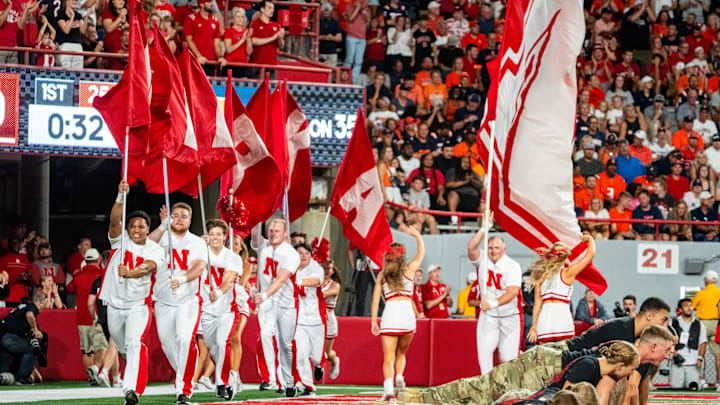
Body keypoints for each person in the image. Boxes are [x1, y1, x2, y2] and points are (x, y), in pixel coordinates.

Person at [98, 180, 164, 405]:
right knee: (124, 346)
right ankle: (135, 370)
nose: (136, 229)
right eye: (133, 225)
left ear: (148, 228)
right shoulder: (119, 242)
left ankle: (132, 390)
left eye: (141, 226)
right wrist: (119, 197)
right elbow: (114, 219)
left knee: (135, 343)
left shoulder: (155, 249)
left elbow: (149, 267)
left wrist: (131, 273)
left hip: (139, 305)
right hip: (115, 305)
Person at [148, 203, 207, 404]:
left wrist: (182, 280)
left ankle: (184, 388)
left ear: (190, 221)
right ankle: (185, 374)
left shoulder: (197, 242)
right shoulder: (162, 237)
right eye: (175, 215)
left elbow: (199, 267)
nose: (179, 219)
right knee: (167, 343)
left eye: (184, 216)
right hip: (163, 300)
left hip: (187, 300)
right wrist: (163, 225)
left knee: (185, 338)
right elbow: (145, 245)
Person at [371, 225, 424, 401]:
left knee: (388, 358)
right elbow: (421, 254)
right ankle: (400, 376)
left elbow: (375, 300)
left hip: (391, 314)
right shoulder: (409, 270)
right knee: (401, 353)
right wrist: (417, 236)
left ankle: (388, 387)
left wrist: (373, 321)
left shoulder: (382, 275)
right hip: (407, 314)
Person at [467, 213, 523, 374]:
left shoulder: (512, 266)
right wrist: (485, 228)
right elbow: (471, 248)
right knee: (484, 357)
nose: (492, 251)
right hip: (489, 316)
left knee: (508, 358)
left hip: (509, 315)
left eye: (496, 248)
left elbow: (512, 292)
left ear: (504, 250)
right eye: (490, 247)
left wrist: (492, 303)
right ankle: (487, 392)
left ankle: (514, 386)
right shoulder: (483, 259)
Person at [251, 218, 300, 397]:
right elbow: (255, 237)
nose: (272, 233)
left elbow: (280, 279)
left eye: (276, 231)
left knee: (285, 345)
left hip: (285, 303)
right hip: (267, 303)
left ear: (285, 233)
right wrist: (258, 215)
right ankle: (271, 377)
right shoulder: (264, 248)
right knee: (265, 335)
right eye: (270, 230)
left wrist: (264, 295)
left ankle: (288, 381)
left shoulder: (290, 254)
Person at [199, 219, 243, 401]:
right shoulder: (201, 252)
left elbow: (228, 280)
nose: (215, 237)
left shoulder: (233, 257)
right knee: (213, 347)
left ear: (225, 237)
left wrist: (218, 291)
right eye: (212, 234)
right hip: (206, 309)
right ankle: (232, 376)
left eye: (218, 234)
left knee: (222, 342)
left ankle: (221, 383)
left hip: (226, 309)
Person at [526, 235, 596, 344]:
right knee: (564, 357)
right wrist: (590, 240)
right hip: (562, 318)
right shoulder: (568, 272)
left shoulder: (541, 275)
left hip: (545, 319)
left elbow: (537, 304)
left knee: (545, 358)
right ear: (565, 257)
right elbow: (590, 254)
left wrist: (534, 326)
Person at [70, 248, 107, 386]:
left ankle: (92, 376)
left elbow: (69, 288)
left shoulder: (78, 277)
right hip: (97, 317)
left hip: (81, 317)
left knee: (86, 350)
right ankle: (96, 369)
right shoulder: (102, 276)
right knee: (102, 347)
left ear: (85, 261)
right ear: (99, 260)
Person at [293, 243, 325, 396]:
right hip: (298, 319)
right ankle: (308, 385)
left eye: (306, 253)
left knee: (316, 357)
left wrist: (298, 282)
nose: (303, 255)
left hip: (316, 319)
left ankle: (319, 365)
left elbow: (316, 281)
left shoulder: (316, 268)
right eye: (300, 253)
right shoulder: (290, 269)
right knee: (301, 353)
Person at [0, 291, 48, 384]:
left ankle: (4, 376)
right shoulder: (31, 306)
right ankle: (22, 378)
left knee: (9, 353)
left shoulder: (21, 308)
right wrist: (34, 329)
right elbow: (29, 314)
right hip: (10, 337)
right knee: (31, 348)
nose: (45, 307)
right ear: (39, 302)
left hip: (4, 337)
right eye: (44, 304)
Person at [670, 298, 707, 390]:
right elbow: (667, 340)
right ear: (680, 310)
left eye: (690, 305)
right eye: (686, 306)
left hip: (693, 363)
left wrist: (700, 358)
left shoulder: (699, 324)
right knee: (675, 388)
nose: (689, 308)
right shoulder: (673, 323)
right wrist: (673, 351)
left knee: (694, 387)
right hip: (677, 362)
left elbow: (703, 343)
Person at [692, 270, 720, 385]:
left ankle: (702, 381)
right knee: (718, 355)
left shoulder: (701, 294)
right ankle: (719, 382)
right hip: (717, 324)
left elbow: (692, 306)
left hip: (703, 324)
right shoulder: (719, 292)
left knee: (701, 354)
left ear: (706, 281)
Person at [184, 0, 225, 76]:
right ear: (201, 5)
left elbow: (217, 42)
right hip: (195, 61)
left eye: (211, 2)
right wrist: (198, 56)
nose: (211, 4)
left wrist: (221, 56)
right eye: (208, 2)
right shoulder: (191, 19)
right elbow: (189, 40)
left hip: (210, 62)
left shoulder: (215, 20)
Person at [250, 0, 285, 76]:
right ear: (262, 9)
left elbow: (281, 46)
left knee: (271, 87)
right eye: (269, 8)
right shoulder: (254, 23)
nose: (272, 10)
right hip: (257, 64)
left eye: (273, 8)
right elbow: (253, 41)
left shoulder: (276, 25)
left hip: (272, 65)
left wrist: (280, 38)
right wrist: (273, 38)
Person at [321, 260, 341, 379]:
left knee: (327, 353)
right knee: (315, 351)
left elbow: (325, 293)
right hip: (314, 318)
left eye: (329, 268)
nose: (326, 270)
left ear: (333, 271)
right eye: (324, 267)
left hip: (328, 318)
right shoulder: (315, 280)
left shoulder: (335, 284)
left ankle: (334, 361)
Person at [56, 0, 88, 68]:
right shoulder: (61, 14)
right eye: (72, 0)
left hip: (78, 46)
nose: (75, 2)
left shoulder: (78, 15)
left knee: (77, 71)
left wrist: (86, 18)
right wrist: (72, 17)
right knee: (65, 70)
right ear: (66, 1)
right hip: (65, 45)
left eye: (76, 1)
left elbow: (83, 31)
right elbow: (66, 30)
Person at [343, 0, 368, 84]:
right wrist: (357, 8)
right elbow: (351, 18)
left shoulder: (366, 9)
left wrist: (364, 11)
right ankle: (344, 79)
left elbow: (367, 20)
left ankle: (353, 81)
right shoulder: (349, 7)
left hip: (362, 37)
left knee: (358, 61)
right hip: (352, 36)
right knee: (349, 59)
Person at [223, 7, 252, 78]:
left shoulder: (246, 32)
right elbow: (229, 49)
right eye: (238, 16)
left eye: (242, 17)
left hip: (243, 65)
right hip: (230, 64)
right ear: (233, 18)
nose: (240, 19)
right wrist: (242, 40)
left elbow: (249, 52)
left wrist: (248, 39)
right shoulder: (228, 31)